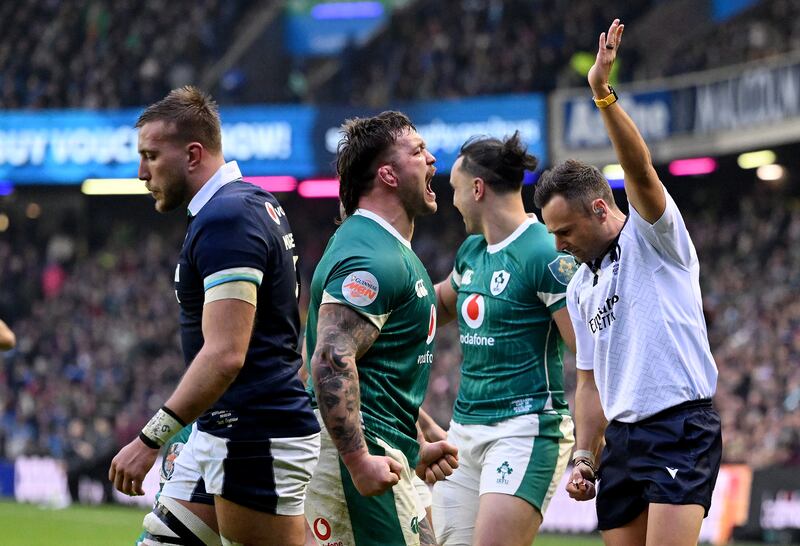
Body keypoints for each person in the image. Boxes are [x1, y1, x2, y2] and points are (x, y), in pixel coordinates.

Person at [533, 19, 721, 546]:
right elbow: (589, 383)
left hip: (679, 429)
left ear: (599, 208)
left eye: (564, 230)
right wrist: (586, 455)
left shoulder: (655, 237)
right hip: (622, 442)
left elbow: (640, 173)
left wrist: (602, 95)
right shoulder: (578, 286)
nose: (558, 245)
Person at [109, 85, 320, 546]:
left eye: (150, 156)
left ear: (192, 154)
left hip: (254, 437)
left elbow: (226, 354)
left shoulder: (227, 219)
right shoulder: (245, 204)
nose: (141, 171)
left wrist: (149, 439)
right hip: (224, 429)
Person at [303, 111, 458, 546]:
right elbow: (331, 359)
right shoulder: (373, 257)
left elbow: (372, 365)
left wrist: (416, 440)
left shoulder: (385, 248)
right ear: (387, 175)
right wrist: (357, 460)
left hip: (385, 447)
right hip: (364, 455)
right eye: (418, 152)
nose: (431, 159)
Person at [431, 132, 577, 546]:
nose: (453, 201)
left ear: (477, 189)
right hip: (462, 432)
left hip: (524, 428)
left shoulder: (545, 254)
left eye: (456, 190)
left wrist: (593, 443)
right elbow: (436, 304)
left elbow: (587, 353)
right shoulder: (472, 252)